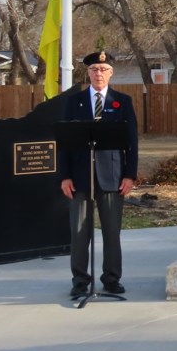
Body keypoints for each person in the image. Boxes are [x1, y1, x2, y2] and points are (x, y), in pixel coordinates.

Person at [59, 50, 139, 297]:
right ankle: (80, 281)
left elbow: (131, 142)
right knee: (80, 232)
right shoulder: (74, 102)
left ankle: (112, 278)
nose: (98, 74)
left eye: (103, 70)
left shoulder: (122, 102)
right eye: (94, 69)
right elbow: (64, 142)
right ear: (88, 73)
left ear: (111, 73)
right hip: (80, 177)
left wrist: (129, 175)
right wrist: (64, 176)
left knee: (111, 231)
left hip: (112, 177)